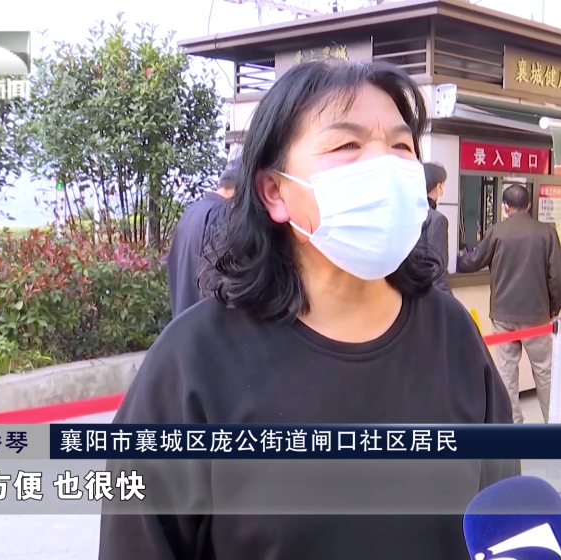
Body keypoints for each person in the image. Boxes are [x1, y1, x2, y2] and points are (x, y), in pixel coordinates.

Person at [99, 60, 518, 560]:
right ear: (274, 191)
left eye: (402, 147)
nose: (386, 167)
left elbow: (505, 524)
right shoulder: (193, 361)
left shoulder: (452, 335)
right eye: (348, 145)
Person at [457, 184, 561, 424]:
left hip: (502, 314)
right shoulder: (546, 232)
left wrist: (453, 260)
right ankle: (556, 422)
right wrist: (553, 308)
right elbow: (557, 278)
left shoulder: (497, 231)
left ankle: (511, 423)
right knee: (545, 371)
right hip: (536, 314)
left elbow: (473, 262)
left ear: (505, 207)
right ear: (529, 204)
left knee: (506, 372)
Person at [166, 164, 236, 319]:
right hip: (204, 324)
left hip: (182, 319)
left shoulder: (191, 211)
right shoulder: (222, 216)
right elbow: (217, 287)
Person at [420, 162, 451, 293]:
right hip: (425, 294)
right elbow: (437, 270)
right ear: (439, 187)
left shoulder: (402, 214)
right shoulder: (436, 219)